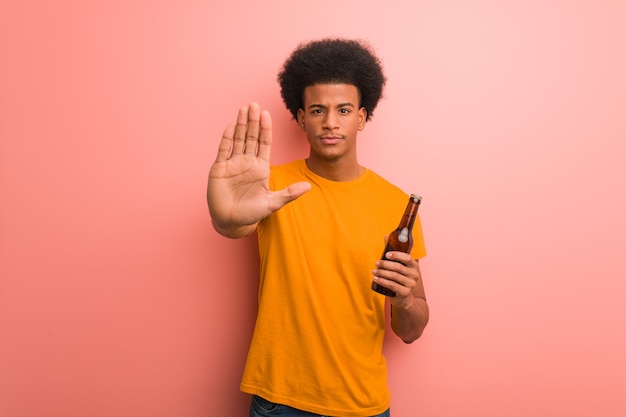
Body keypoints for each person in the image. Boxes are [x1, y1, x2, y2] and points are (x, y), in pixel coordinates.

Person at [207, 38, 429, 417]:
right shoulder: (269, 186)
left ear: (361, 116)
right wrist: (225, 217)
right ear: (300, 118)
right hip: (281, 400)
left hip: (363, 404)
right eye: (317, 110)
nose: (330, 122)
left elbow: (410, 330)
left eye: (343, 110)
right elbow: (232, 225)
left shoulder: (397, 205)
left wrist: (405, 300)